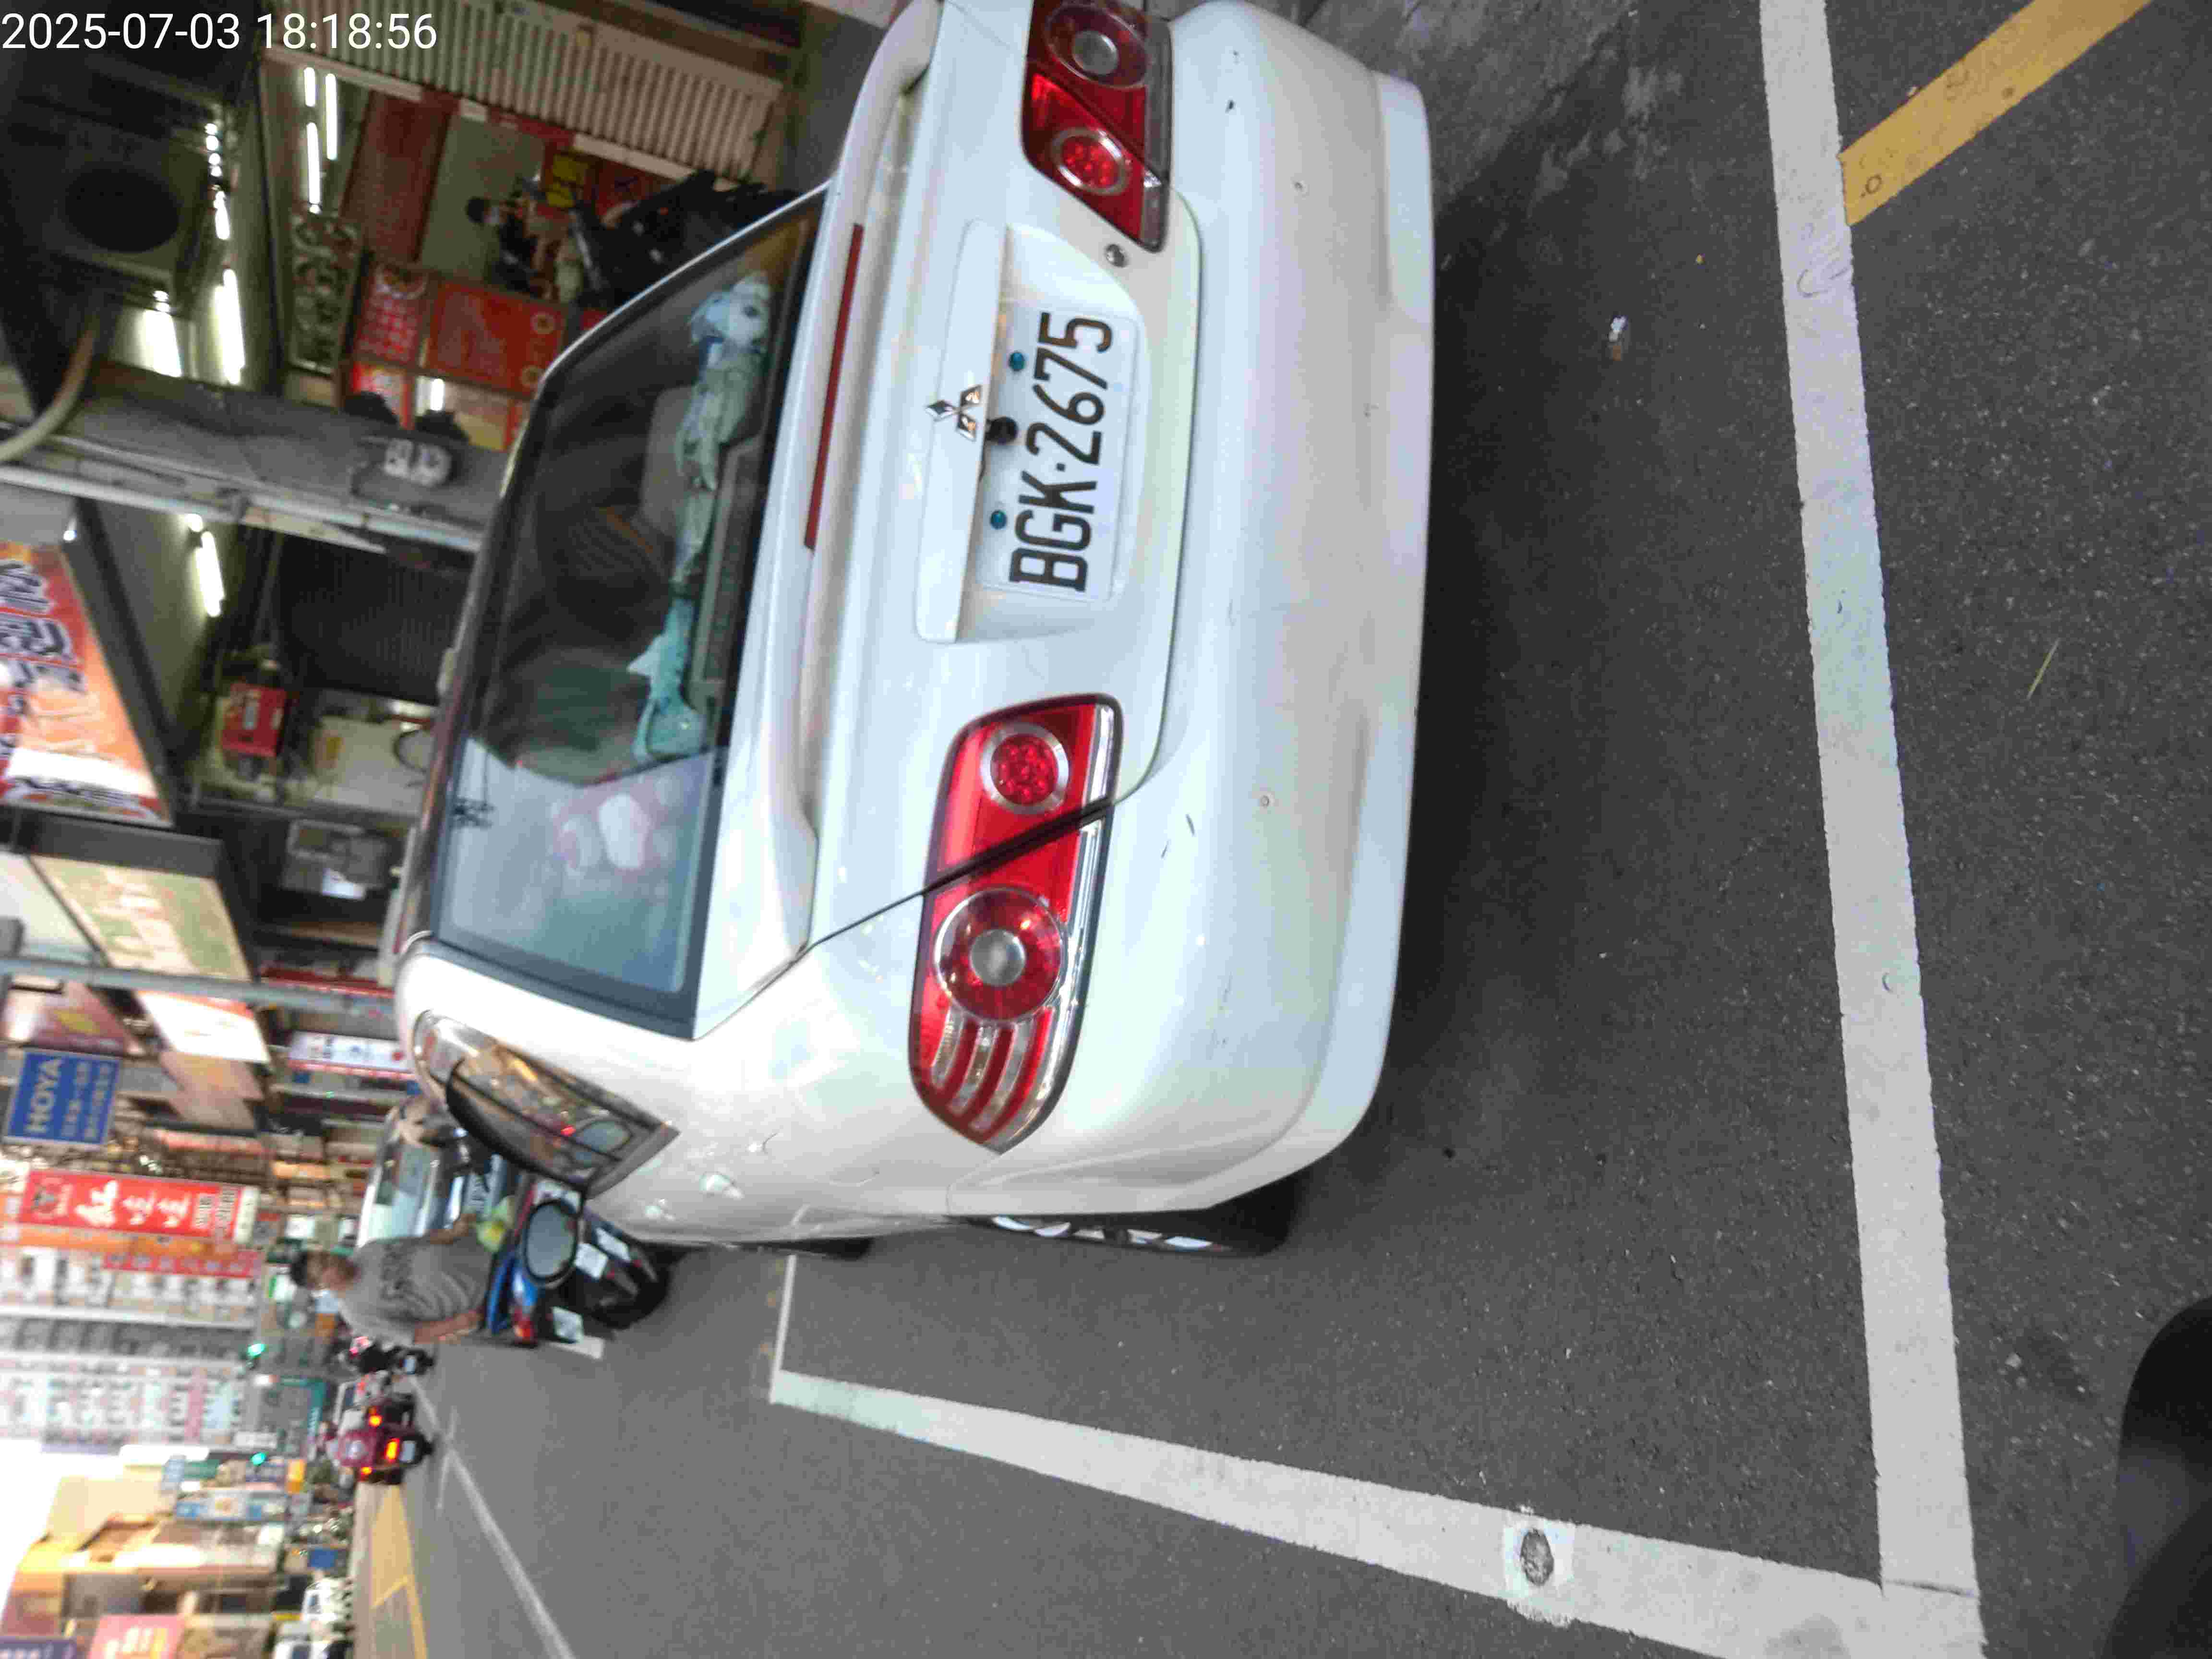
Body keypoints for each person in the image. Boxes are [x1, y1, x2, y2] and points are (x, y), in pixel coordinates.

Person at [292, 1224, 490, 1347]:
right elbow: (414, 1334)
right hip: (482, 1298)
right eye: (325, 1266)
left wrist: (454, 1233)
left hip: (485, 1252)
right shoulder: (356, 1314)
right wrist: (457, 1324)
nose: (332, 1259)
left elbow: (423, 1241)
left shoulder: (369, 1249)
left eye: (326, 1255)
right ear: (319, 1287)